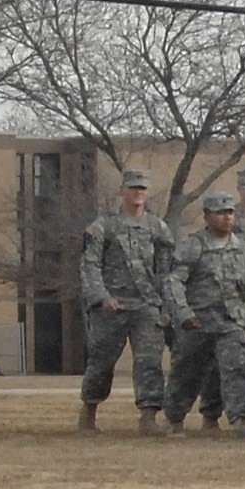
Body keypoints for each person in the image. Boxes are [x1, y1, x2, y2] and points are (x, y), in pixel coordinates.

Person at [162, 191, 245, 437]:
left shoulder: (243, 248)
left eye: (230, 212)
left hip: (231, 322)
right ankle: (174, 418)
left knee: (237, 369)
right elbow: (173, 281)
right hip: (197, 323)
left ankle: (242, 421)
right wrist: (182, 313)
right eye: (220, 212)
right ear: (207, 216)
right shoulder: (193, 246)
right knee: (187, 372)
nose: (227, 217)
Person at [76, 168, 174, 434]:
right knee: (102, 361)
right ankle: (89, 412)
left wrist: (167, 306)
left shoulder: (157, 227)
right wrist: (101, 296)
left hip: (146, 306)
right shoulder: (102, 227)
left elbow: (167, 270)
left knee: (149, 361)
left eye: (142, 188)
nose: (137, 193)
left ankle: (148, 417)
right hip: (112, 307)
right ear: (122, 191)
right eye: (132, 188)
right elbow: (90, 264)